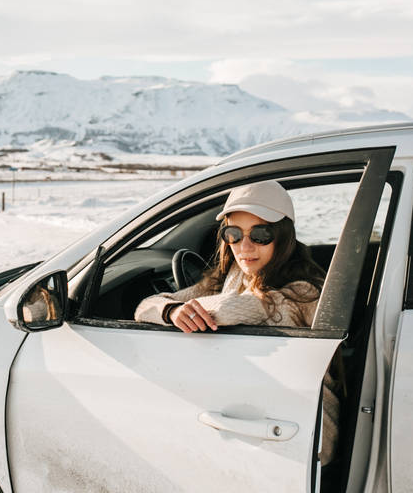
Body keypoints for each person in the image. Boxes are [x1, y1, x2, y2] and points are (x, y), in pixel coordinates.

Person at [134, 180, 341, 466]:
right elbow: (145, 306)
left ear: (283, 236)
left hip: (309, 439)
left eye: (260, 235)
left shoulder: (304, 291)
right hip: (259, 423)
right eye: (233, 234)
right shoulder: (233, 274)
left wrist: (185, 308)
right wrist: (170, 310)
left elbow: (230, 310)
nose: (244, 247)